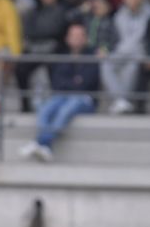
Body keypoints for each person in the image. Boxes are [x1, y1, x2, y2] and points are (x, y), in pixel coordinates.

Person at [20, 23, 99, 163]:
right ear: (67, 38)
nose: (76, 39)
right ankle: (45, 146)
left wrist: (73, 84)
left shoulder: (92, 56)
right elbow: (58, 82)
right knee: (45, 109)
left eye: (79, 35)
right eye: (73, 35)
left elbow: (87, 84)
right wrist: (75, 82)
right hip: (62, 95)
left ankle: (40, 142)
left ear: (85, 38)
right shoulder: (61, 56)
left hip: (84, 99)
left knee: (66, 109)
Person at [15, 0, 67, 113]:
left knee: (55, 67)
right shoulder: (32, 11)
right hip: (34, 49)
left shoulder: (62, 10)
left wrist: (39, 32)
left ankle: (55, 104)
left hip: (53, 50)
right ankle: (25, 104)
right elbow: (28, 31)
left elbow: (56, 30)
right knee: (20, 68)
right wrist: (42, 32)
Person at [101, 0, 150, 115]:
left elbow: (142, 38)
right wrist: (106, 49)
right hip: (121, 51)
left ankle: (120, 101)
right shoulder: (119, 14)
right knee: (106, 64)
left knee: (130, 69)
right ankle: (121, 101)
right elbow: (112, 37)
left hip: (139, 52)